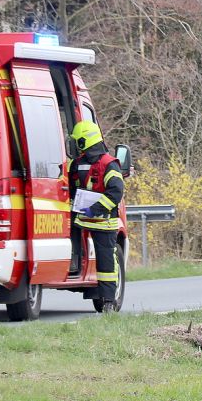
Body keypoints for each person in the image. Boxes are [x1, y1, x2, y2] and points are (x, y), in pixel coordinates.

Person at [68, 120, 125, 311]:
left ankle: (108, 302)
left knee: (106, 264)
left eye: (77, 142)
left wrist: (95, 209)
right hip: (87, 219)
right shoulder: (83, 164)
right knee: (105, 261)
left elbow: (116, 192)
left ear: (84, 142)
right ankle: (107, 300)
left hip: (100, 221)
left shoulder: (109, 165)